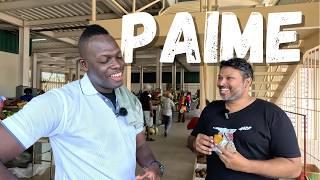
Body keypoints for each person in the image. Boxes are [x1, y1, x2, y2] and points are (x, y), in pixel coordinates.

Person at [0, 24, 164, 180]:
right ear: (84, 65)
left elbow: (140, 145)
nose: (117, 64)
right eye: (105, 59)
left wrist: (153, 166)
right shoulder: (60, 103)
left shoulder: (129, 99)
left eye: (118, 56)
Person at [187, 58, 301, 180]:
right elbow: (191, 139)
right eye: (220, 77)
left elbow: (294, 168)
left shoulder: (271, 114)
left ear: (247, 82)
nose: (221, 83)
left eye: (229, 78)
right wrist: (195, 143)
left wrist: (247, 166)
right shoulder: (211, 110)